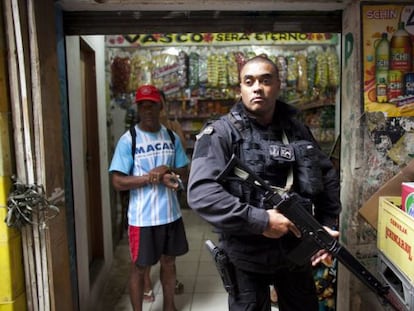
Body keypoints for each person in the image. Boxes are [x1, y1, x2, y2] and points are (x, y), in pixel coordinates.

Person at [187, 55, 341, 311]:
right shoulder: (221, 133)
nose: (257, 87)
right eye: (249, 81)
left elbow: (326, 177)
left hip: (296, 254)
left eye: (265, 80)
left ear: (278, 85)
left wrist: (324, 227)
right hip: (246, 257)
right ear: (241, 89)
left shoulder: (297, 130)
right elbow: (201, 193)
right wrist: (262, 221)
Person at [109, 84, 189, 311]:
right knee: (140, 268)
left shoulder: (171, 137)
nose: (147, 110)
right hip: (142, 219)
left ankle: (169, 306)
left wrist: (165, 168)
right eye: (142, 106)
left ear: (160, 106)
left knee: (169, 263)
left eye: (151, 105)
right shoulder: (129, 139)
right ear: (138, 108)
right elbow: (117, 182)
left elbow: (183, 171)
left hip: (170, 214)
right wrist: (151, 177)